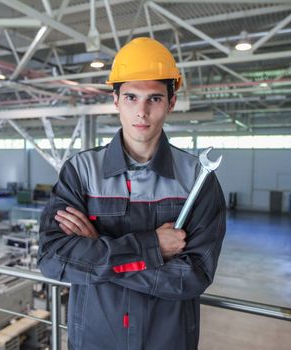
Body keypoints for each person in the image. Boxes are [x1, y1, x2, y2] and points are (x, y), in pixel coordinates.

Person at [38, 37, 226, 350]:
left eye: (154, 98)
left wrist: (97, 252)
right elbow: (52, 258)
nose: (141, 111)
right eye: (131, 97)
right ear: (115, 101)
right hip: (94, 341)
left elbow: (191, 277)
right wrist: (151, 247)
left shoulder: (197, 179)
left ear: (171, 102)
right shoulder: (82, 172)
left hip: (168, 342)